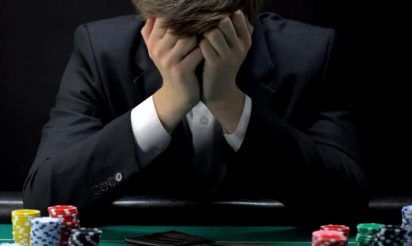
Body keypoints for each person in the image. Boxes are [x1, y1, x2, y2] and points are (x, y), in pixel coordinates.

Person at [23, 0, 368, 217]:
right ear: (151, 22)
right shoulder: (101, 51)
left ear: (246, 18)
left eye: (214, 34)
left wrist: (229, 103)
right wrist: (167, 102)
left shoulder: (311, 54)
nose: (198, 53)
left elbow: (346, 203)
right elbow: (44, 198)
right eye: (180, 36)